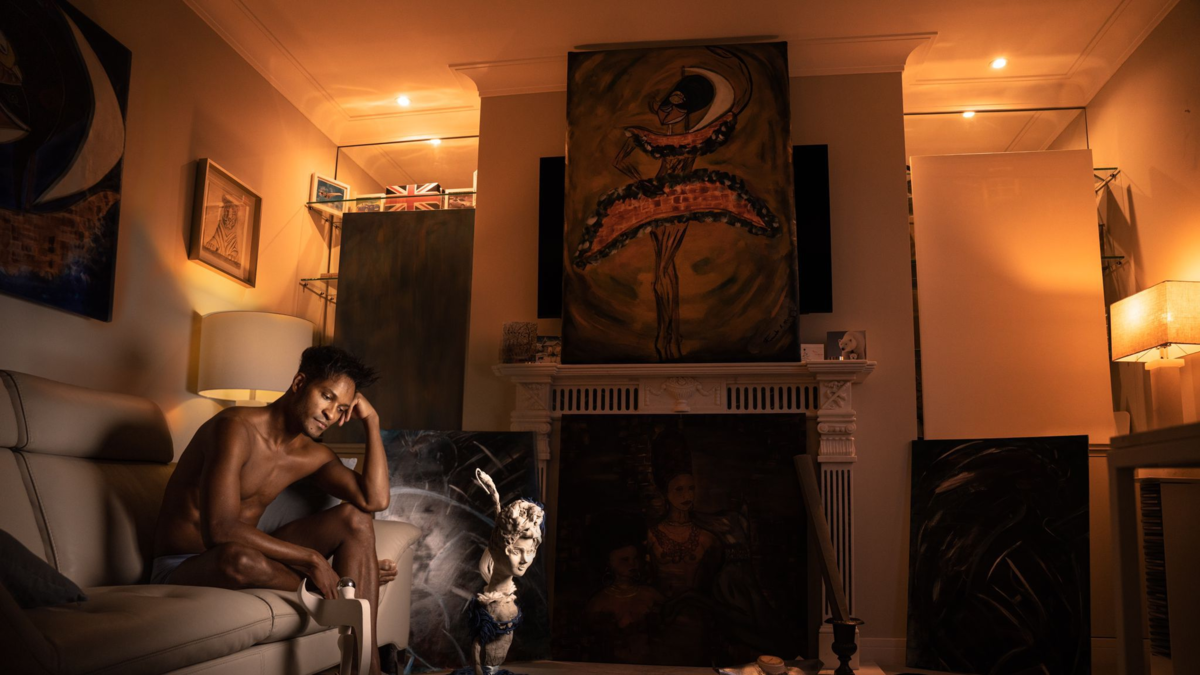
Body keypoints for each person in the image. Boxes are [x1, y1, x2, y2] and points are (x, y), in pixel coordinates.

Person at [151, 345, 395, 675]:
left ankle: (369, 668)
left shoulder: (312, 455)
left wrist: (372, 422)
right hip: (185, 565)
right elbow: (220, 530)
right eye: (326, 397)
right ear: (299, 383)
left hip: (258, 557)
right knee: (238, 559)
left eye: (341, 409)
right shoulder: (234, 428)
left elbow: (374, 500)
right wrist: (314, 561)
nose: (331, 415)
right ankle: (337, 584)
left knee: (355, 518)